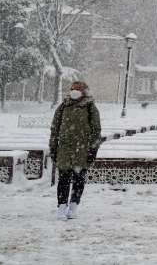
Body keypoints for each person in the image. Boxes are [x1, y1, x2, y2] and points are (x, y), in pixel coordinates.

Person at [49, 80, 102, 221]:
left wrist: (93, 150)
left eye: (78, 89)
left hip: (82, 151)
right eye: (73, 88)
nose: (74, 91)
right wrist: (53, 147)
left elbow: (96, 132)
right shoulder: (63, 107)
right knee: (63, 180)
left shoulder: (90, 108)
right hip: (64, 151)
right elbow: (54, 129)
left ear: (84, 91)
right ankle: (61, 206)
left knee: (78, 180)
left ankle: (73, 206)